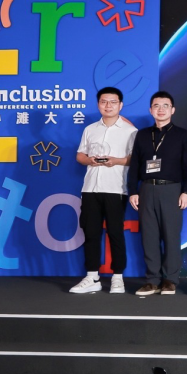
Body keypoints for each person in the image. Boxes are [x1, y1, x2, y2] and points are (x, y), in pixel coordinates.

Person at [70, 86, 138, 295]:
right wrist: (89, 160)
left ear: (121, 105)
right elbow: (80, 155)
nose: (108, 105)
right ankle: (92, 276)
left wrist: (115, 161)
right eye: (104, 101)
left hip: (116, 188)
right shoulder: (90, 129)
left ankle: (118, 278)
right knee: (90, 232)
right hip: (90, 188)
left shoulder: (131, 131)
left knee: (115, 232)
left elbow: (135, 159)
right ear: (98, 104)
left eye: (113, 102)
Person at [127, 91, 187, 297]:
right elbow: (135, 165)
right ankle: (152, 280)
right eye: (156, 105)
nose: (161, 109)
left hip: (172, 189)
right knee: (149, 236)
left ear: (173, 110)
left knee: (171, 236)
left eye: (166, 105)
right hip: (147, 189)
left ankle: (170, 280)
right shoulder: (142, 135)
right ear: (150, 110)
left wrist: (186, 191)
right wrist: (133, 191)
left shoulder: (182, 135)